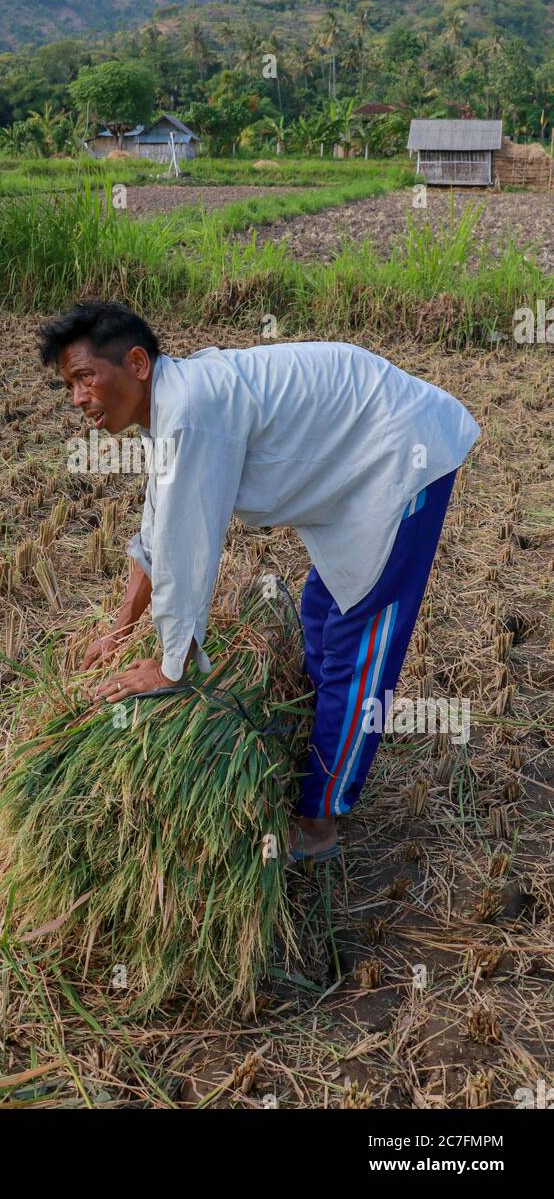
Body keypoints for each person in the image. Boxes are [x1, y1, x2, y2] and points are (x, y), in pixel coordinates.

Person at [38, 300, 480, 864]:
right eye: (69, 386)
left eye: (84, 378)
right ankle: (320, 744)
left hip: (401, 453)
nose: (78, 399)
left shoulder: (191, 410)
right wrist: (121, 630)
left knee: (357, 648)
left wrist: (172, 665)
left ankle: (320, 821)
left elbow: (187, 546)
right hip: (353, 468)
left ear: (137, 363)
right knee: (322, 611)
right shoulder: (170, 410)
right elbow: (157, 527)